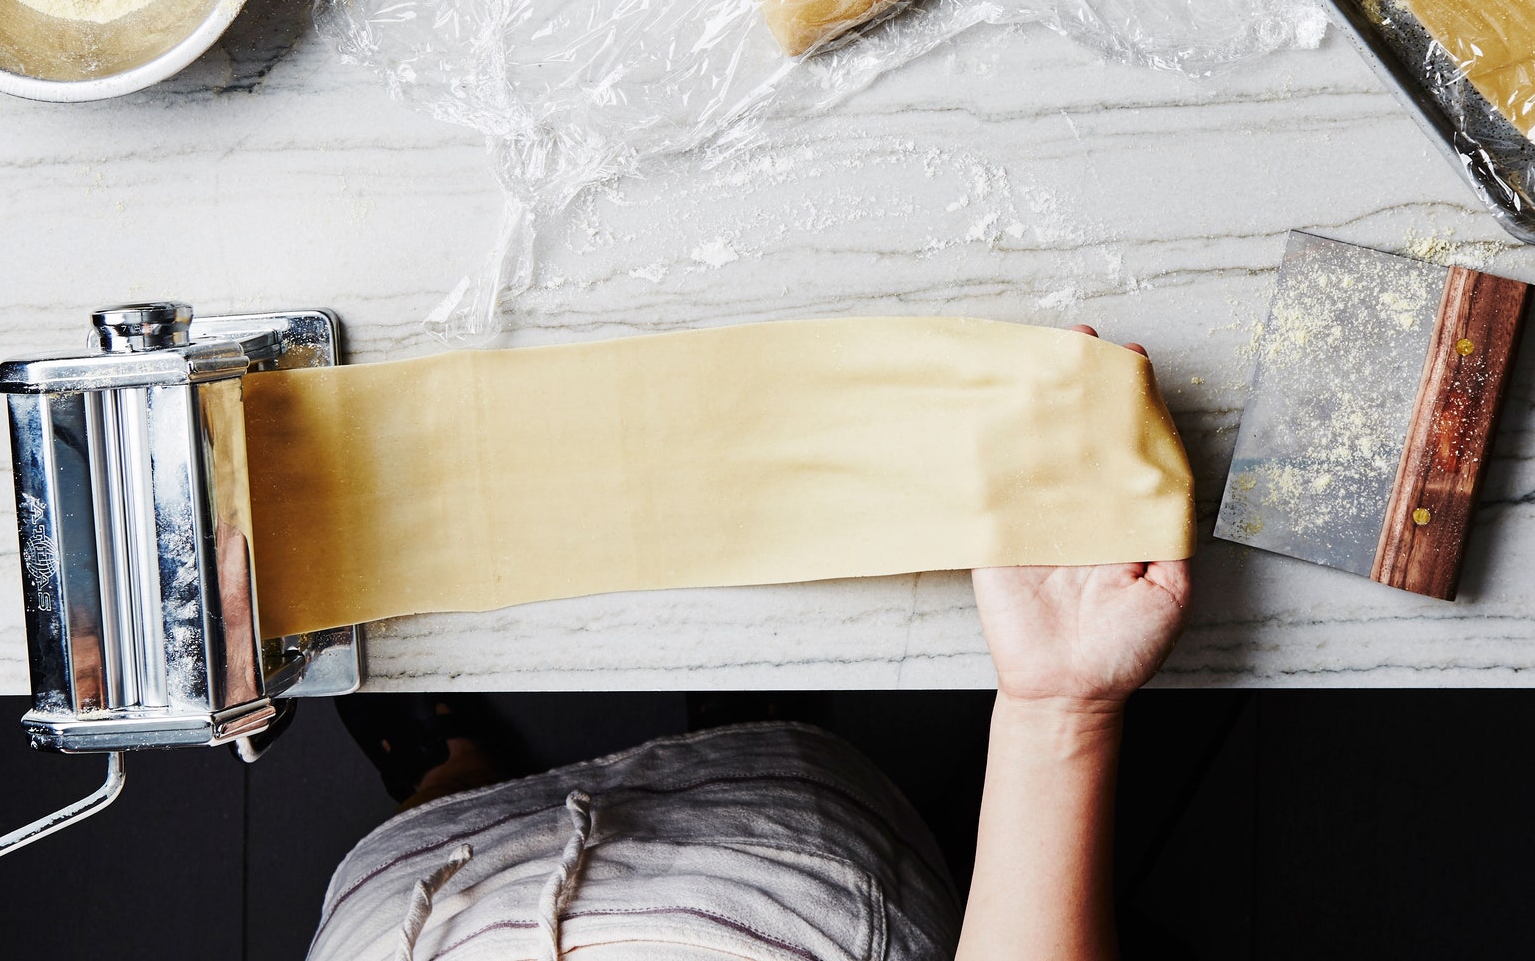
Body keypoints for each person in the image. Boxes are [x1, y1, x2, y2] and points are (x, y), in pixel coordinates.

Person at [308, 327, 1190, 961]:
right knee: (769, 760)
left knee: (451, 813)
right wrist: (1058, 709)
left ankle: (448, 777)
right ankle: (748, 723)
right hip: (782, 881)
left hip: (429, 913)